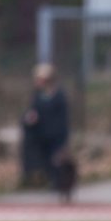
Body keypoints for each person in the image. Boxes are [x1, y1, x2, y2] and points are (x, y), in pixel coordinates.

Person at [22, 63, 74, 202]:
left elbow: (63, 119)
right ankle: (51, 184)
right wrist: (30, 118)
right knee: (45, 162)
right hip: (42, 137)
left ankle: (61, 188)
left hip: (56, 136)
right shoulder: (37, 96)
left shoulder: (59, 96)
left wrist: (63, 139)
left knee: (58, 162)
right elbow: (32, 113)